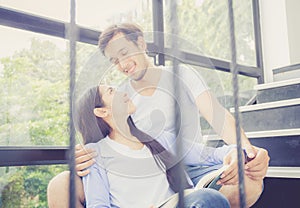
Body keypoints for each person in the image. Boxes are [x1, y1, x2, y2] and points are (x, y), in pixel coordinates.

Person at [47, 23, 269, 208]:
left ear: (141, 43)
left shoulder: (181, 75)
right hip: (142, 176)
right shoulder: (123, 97)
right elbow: (106, 135)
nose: (122, 64)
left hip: (189, 162)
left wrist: (247, 153)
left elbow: (217, 115)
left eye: (124, 53)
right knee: (60, 185)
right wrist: (84, 154)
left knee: (248, 180)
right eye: (114, 60)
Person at [75, 84, 231, 208]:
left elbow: (211, 155)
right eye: (111, 91)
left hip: (178, 203)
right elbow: (98, 205)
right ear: (102, 112)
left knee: (209, 199)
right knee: (208, 199)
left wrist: (240, 152)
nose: (122, 92)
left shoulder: (159, 138)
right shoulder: (95, 152)